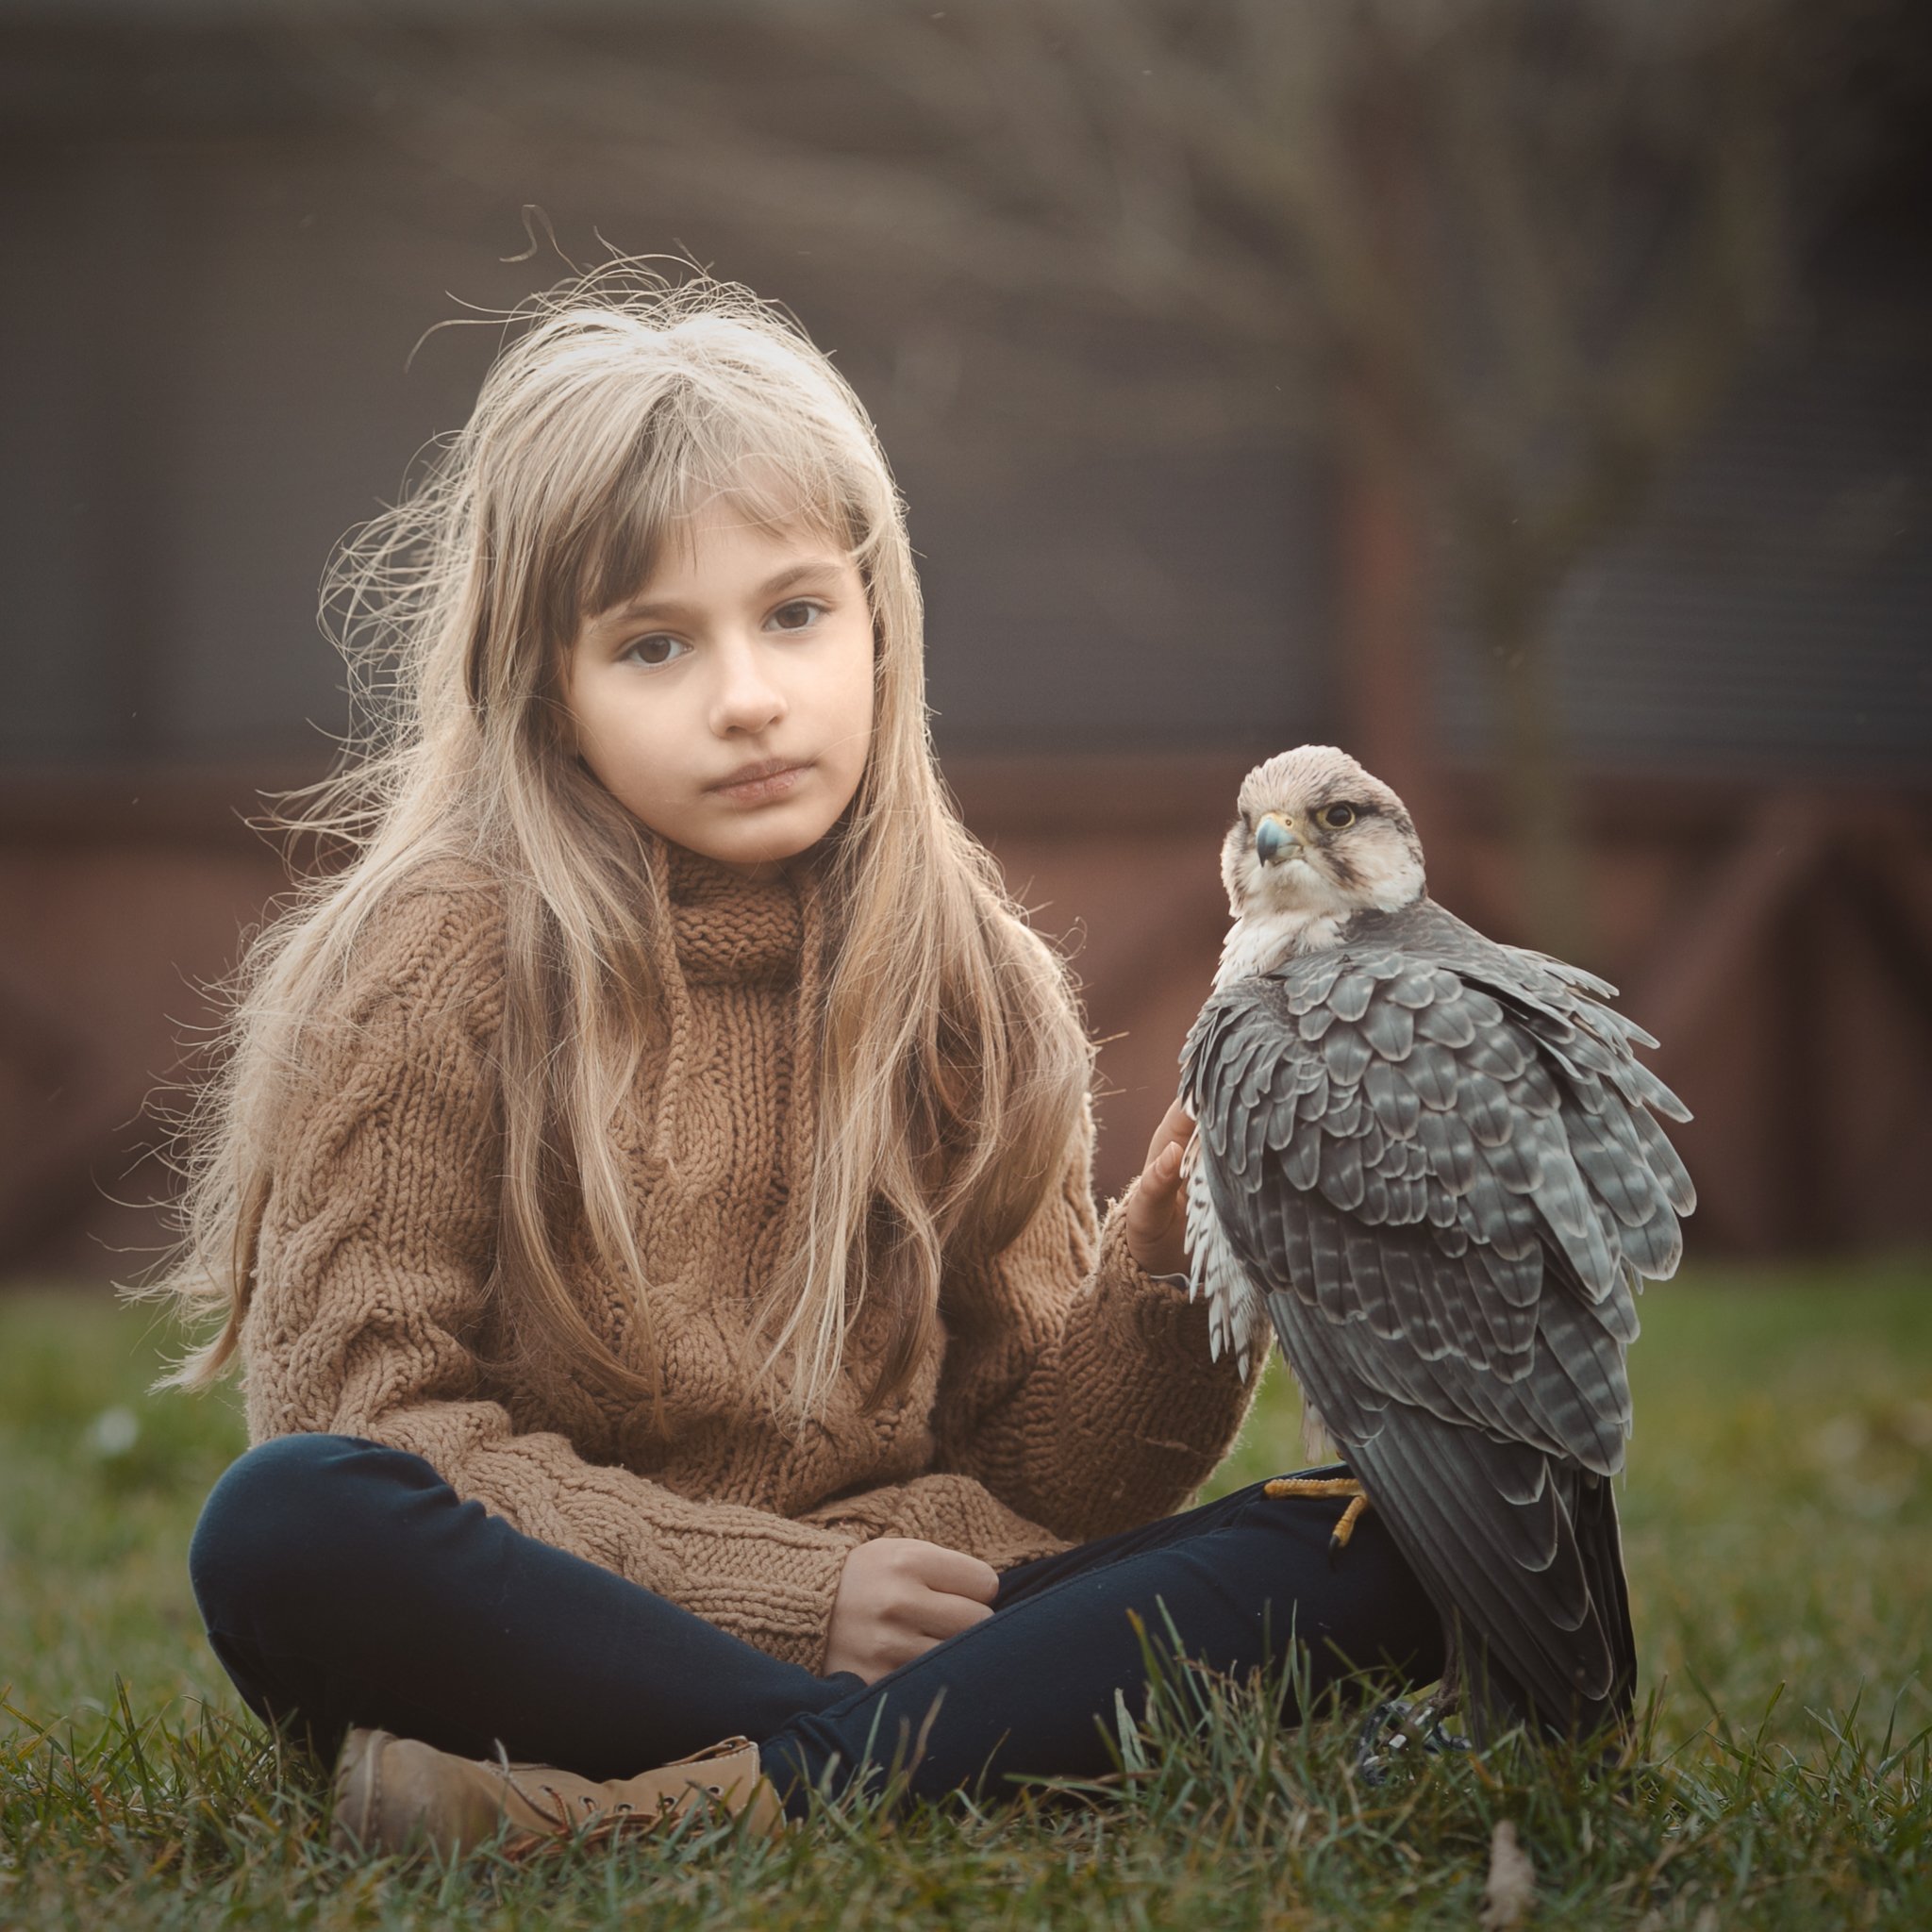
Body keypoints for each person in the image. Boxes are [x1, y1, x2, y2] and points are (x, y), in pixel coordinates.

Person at [155, 268, 1443, 1858]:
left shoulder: (963, 977)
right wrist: (798, 1600)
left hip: (920, 1613)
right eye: (653, 647)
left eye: (794, 613)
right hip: (562, 1629)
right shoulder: (434, 959)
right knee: (290, 1526)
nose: (749, 697)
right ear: (544, 693)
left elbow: (1047, 1476)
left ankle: (672, 1810)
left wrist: (1181, 1248)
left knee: (1392, 1545)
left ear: (879, 624)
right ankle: (899, 1770)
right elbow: (380, 1423)